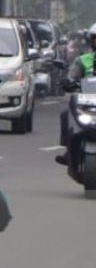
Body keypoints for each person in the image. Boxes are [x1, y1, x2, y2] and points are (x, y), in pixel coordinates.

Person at [55, 23, 96, 165]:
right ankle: (69, 150)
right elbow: (72, 76)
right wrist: (68, 81)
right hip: (87, 101)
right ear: (92, 41)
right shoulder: (83, 60)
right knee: (66, 114)